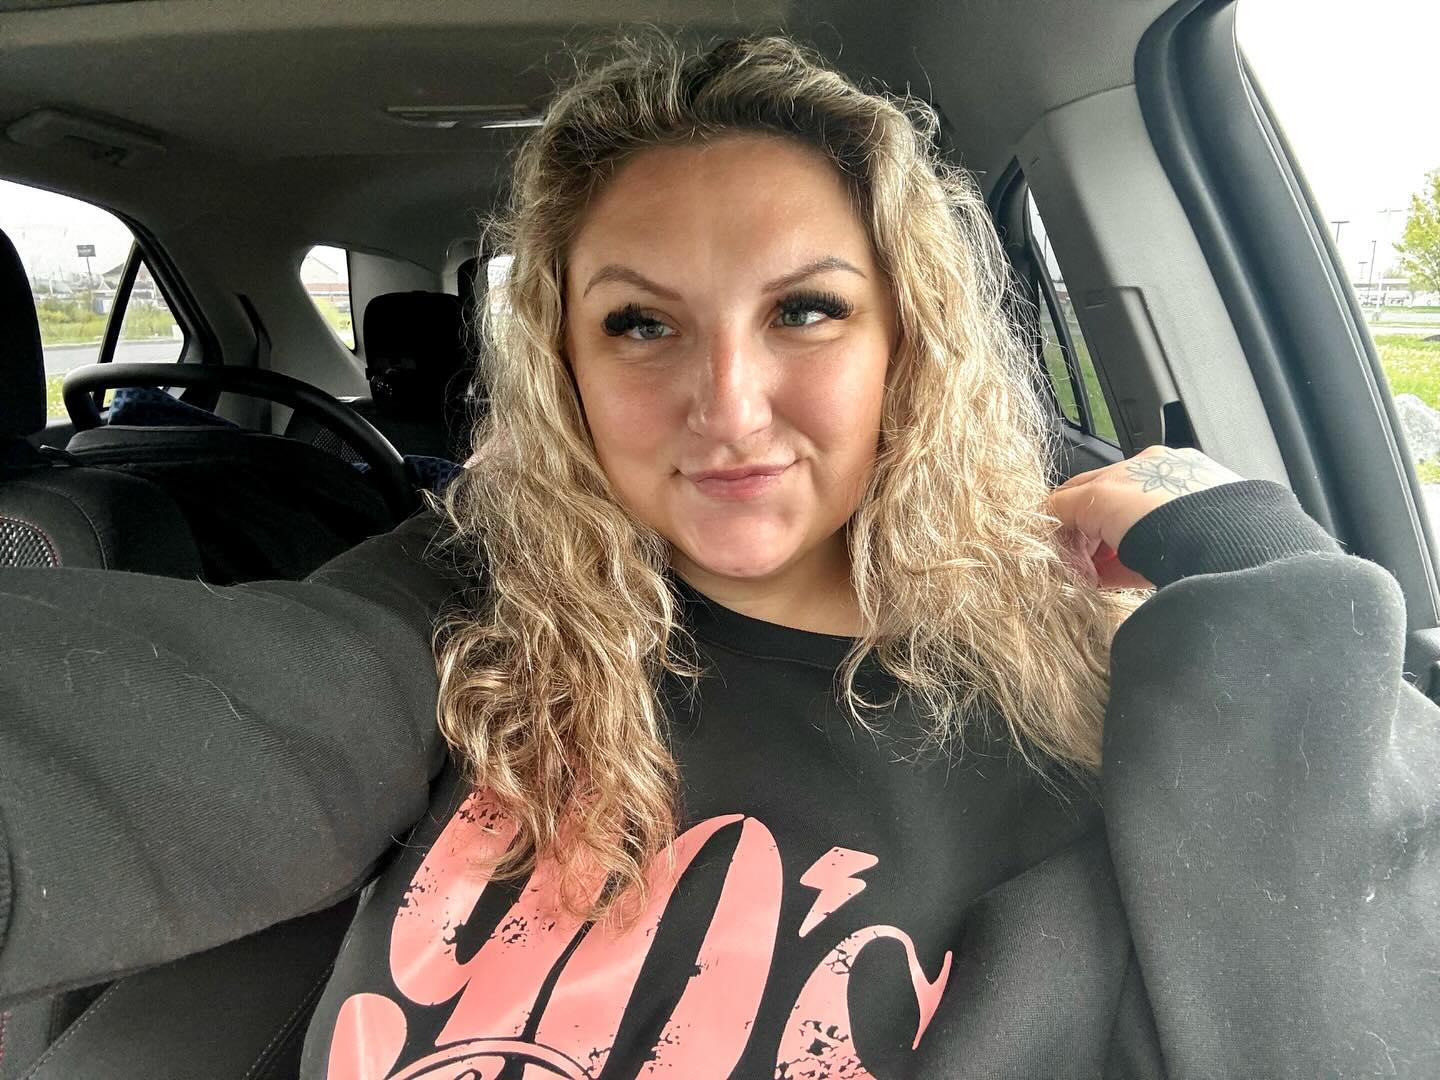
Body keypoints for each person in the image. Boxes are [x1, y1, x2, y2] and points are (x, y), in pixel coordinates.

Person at [1, 33, 1436, 1080]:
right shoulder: (464, 609)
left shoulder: (1085, 696)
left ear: (908, 346)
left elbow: (1352, 972)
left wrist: (1241, 550)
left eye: (806, 311)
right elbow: (183, 732)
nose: (729, 406)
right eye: (641, 324)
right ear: (565, 370)